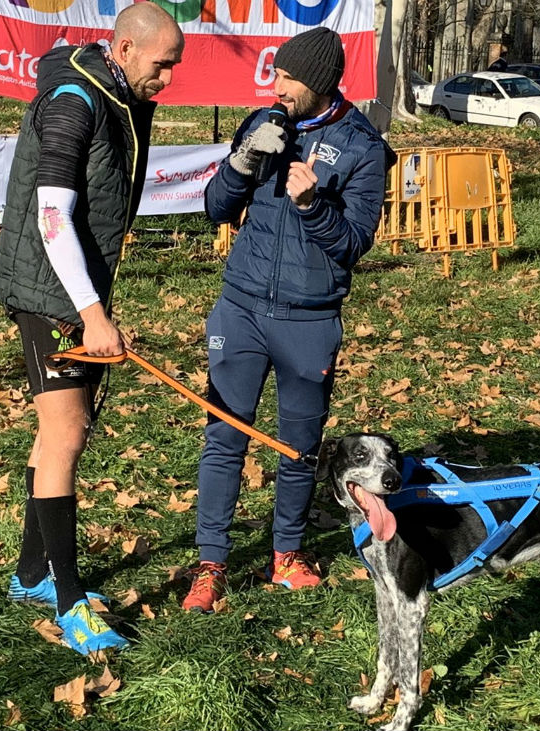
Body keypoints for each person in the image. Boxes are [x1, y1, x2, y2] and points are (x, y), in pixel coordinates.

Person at [0, 3, 183, 654]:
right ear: (125, 48)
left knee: (64, 430)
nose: (169, 77)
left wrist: (96, 301)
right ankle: (71, 602)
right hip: (48, 289)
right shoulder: (75, 101)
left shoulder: (118, 92)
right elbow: (50, 217)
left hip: (76, 286)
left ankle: (31, 573)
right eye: (163, 63)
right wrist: (92, 314)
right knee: (66, 434)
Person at [181, 27, 395, 613]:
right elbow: (215, 208)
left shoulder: (362, 147)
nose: (275, 86)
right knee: (225, 436)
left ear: (320, 83)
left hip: (309, 319)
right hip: (241, 308)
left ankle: (287, 554)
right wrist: (241, 161)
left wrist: (312, 206)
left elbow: (352, 243)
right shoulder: (261, 123)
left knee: (298, 447)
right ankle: (211, 562)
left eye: (286, 78)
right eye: (274, 75)